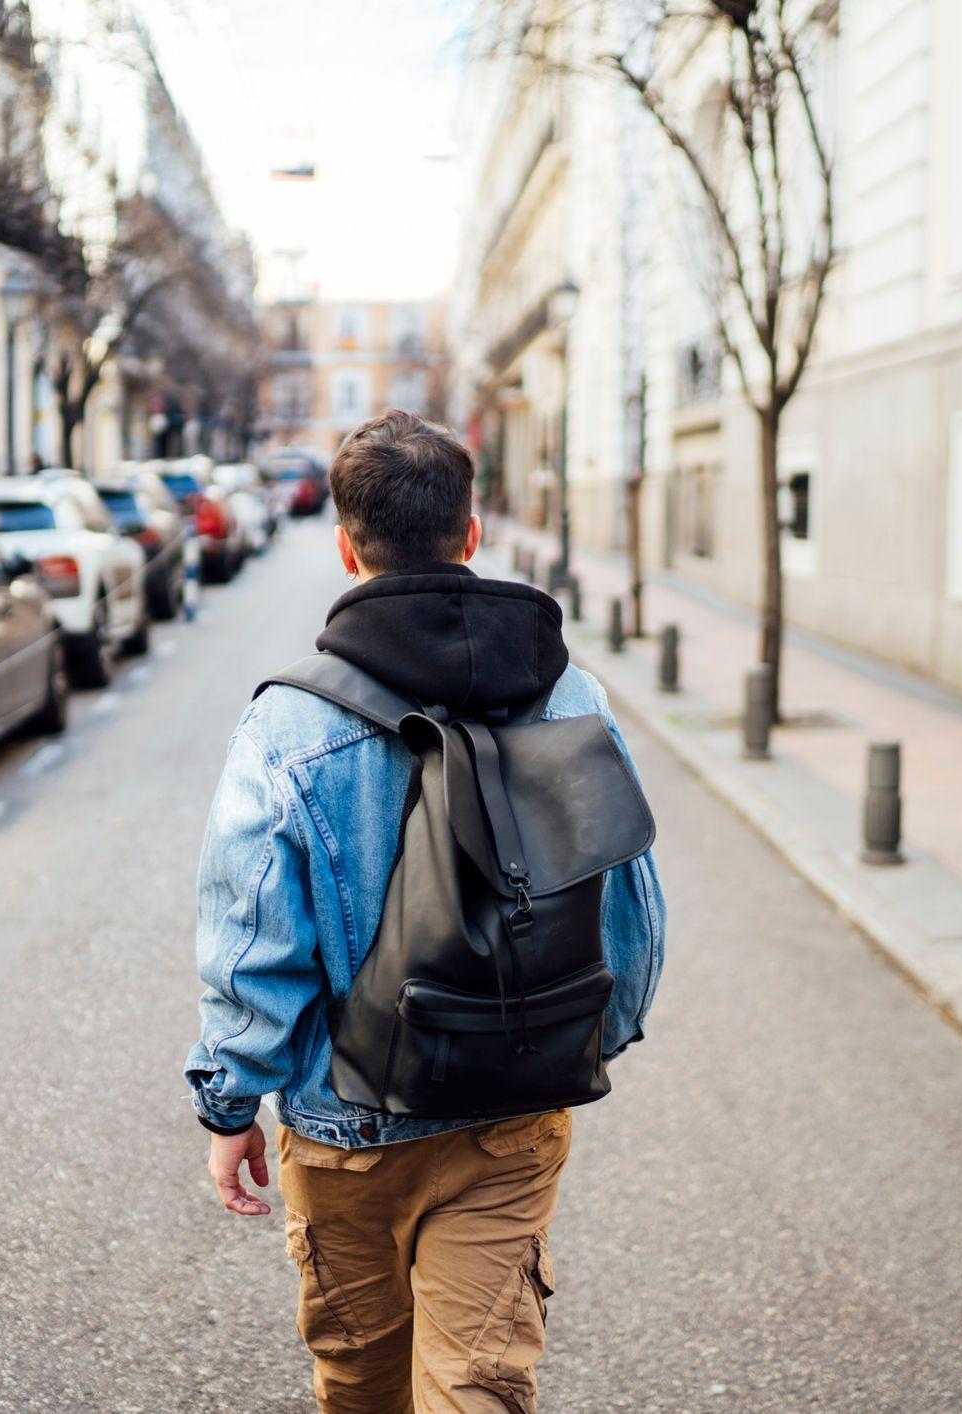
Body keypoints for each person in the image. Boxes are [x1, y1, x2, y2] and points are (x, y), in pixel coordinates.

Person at [184, 410, 667, 1412]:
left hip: (343, 1123)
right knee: (480, 1384)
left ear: (346, 547)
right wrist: (587, 1037)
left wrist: (231, 1100)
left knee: (361, 1380)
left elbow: (255, 942)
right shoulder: (571, 693)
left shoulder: (289, 720)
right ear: (473, 533)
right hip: (511, 1110)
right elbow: (631, 901)